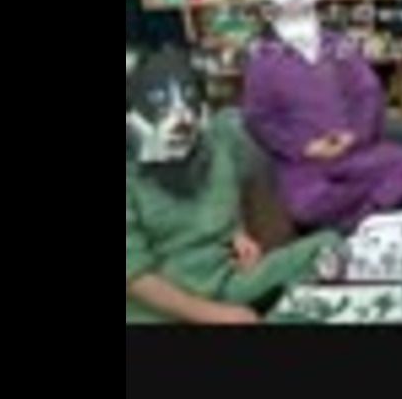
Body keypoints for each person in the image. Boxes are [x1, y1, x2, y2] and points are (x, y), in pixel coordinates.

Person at [126, 47, 343, 324]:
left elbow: (225, 199)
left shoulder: (217, 142)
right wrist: (214, 315)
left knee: (328, 246)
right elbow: (133, 275)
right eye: (160, 100)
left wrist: (238, 234)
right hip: (164, 309)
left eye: (188, 96)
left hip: (228, 281)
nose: (180, 118)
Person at [242, 0, 402, 235]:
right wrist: (304, 147)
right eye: (290, 12)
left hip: (355, 152)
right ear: (275, 15)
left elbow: (368, 93)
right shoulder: (262, 60)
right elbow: (259, 119)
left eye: (303, 10)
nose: (298, 17)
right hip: (305, 164)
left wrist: (354, 135)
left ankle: (363, 213)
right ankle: (370, 208)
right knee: (306, 206)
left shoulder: (339, 46)